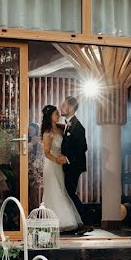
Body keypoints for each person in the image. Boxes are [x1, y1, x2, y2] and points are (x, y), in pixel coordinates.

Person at [40, 105, 83, 232]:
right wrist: (57, 160)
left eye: (58, 113)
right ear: (50, 116)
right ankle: (60, 221)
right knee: (54, 191)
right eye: (55, 113)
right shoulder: (47, 132)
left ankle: (65, 219)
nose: (58, 115)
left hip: (60, 166)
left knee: (61, 189)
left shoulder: (61, 128)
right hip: (52, 165)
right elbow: (46, 152)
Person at [59, 96, 92, 235]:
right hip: (68, 165)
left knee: (70, 192)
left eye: (64, 105)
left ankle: (87, 222)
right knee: (68, 192)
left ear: (71, 108)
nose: (61, 107)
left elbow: (83, 147)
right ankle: (77, 222)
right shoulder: (67, 124)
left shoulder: (78, 126)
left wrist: (67, 159)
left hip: (74, 165)